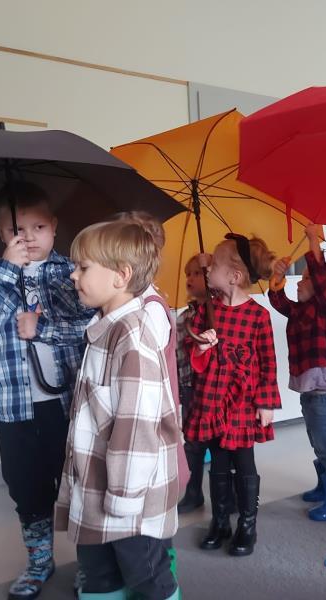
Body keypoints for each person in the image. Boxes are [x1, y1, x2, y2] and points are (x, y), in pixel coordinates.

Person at [0, 181, 94, 600]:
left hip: (66, 405)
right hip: (12, 407)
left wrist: (42, 330)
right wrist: (6, 271)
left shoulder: (72, 270)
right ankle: (39, 561)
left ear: (54, 226)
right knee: (26, 488)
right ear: (1, 234)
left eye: (39, 227)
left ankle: (91, 565)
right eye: (17, 230)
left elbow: (89, 325)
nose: (29, 237)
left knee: (78, 485)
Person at [56, 219, 180, 600]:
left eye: (83, 267)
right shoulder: (104, 328)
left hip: (130, 500)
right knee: (98, 574)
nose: (73, 275)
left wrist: (125, 496)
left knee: (146, 576)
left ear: (120, 275)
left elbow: (137, 427)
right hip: (96, 488)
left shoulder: (132, 337)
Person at [185, 233, 281, 557]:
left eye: (213, 265)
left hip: (242, 403)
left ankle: (247, 525)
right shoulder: (206, 309)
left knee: (244, 462)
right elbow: (192, 347)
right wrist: (202, 344)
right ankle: (220, 521)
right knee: (218, 464)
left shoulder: (258, 316)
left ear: (234, 276)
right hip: (212, 399)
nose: (208, 269)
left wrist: (266, 402)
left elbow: (268, 362)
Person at [268, 224, 326, 521]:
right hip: (310, 393)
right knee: (319, 443)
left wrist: (313, 240)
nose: (299, 284)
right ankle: (325, 486)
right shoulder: (300, 310)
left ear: (323, 287)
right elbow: (279, 300)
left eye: (305, 279)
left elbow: (320, 276)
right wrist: (277, 278)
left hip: (323, 394)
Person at [176, 254, 212, 513]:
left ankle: (227, 494)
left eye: (197, 273)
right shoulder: (184, 317)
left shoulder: (217, 313)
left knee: (219, 444)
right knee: (192, 442)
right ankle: (192, 493)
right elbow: (178, 354)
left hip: (213, 386)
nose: (190, 278)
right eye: (188, 274)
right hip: (190, 386)